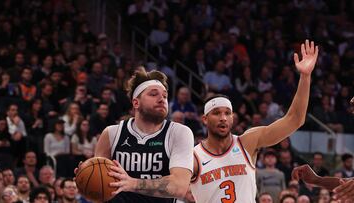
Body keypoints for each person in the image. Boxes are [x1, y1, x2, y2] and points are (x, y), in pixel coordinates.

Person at [190, 40, 319, 203]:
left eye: (227, 113)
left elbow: (295, 120)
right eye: (216, 113)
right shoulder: (193, 156)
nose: (223, 117)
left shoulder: (247, 142)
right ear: (204, 119)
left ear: (233, 118)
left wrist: (305, 76)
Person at [89, 68, 194, 202]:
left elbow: (179, 187)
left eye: (165, 96)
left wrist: (132, 183)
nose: (162, 99)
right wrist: (87, 180)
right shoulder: (112, 133)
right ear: (136, 103)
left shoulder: (179, 133)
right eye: (153, 94)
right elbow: (99, 185)